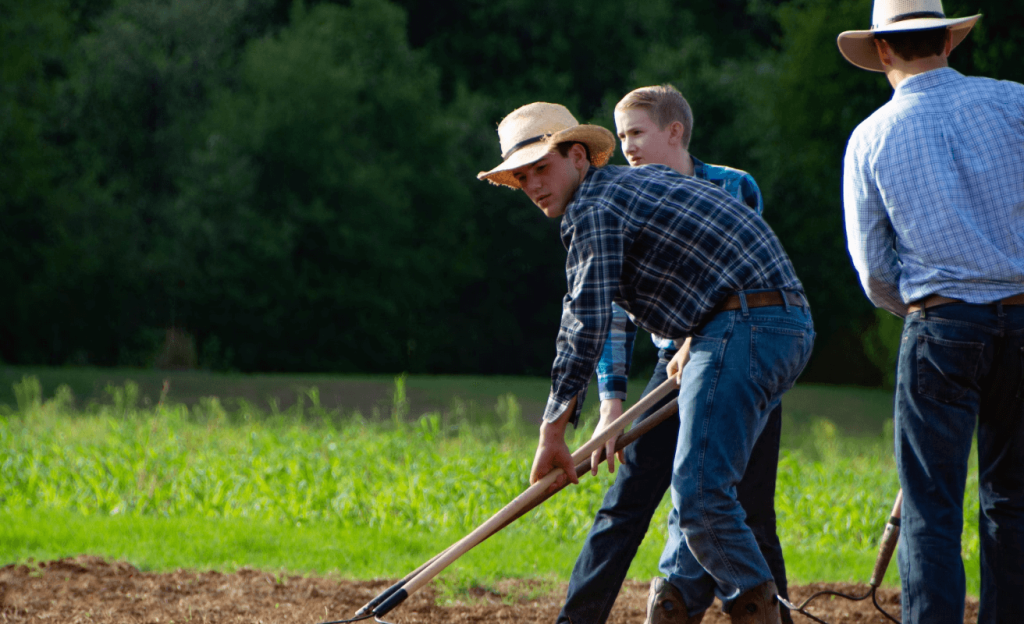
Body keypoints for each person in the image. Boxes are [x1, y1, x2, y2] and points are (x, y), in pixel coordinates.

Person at [477, 101, 814, 624]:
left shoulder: (594, 206)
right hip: (753, 325)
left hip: (745, 324)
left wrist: (552, 432)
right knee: (698, 502)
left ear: (579, 157)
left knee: (701, 498)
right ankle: (676, 605)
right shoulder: (626, 189)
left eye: (542, 168)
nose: (534, 186)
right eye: (522, 178)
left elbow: (585, 319)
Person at [560, 85, 793, 624]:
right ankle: (576, 619)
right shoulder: (620, 198)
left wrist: (700, 339)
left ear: (674, 132)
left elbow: (744, 276)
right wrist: (612, 403)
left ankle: (772, 612)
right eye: (620, 137)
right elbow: (611, 307)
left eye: (636, 133)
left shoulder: (733, 186)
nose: (628, 147)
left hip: (740, 364)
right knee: (625, 504)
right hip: (670, 376)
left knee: (751, 507)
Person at [838, 1, 1024, 622]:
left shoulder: (870, 136)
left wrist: (922, 308)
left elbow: (873, 271)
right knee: (1013, 502)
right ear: (949, 40)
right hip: (1022, 318)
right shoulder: (1014, 102)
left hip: (941, 327)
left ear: (883, 50)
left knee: (931, 511)